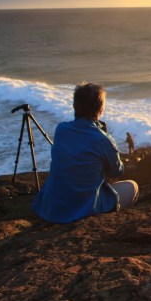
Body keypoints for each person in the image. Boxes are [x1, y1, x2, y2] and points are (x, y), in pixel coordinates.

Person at [32, 83, 139, 224]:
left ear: (75, 106)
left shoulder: (61, 130)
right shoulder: (102, 139)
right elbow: (116, 171)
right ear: (101, 109)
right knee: (132, 186)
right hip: (82, 209)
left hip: (52, 208)